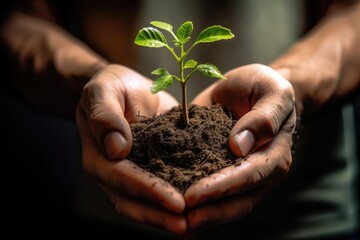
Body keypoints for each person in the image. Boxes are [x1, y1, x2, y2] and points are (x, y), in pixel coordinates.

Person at [1, 0, 359, 239]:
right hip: (118, 210)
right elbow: (22, 18)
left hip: (304, 218)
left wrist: (291, 85)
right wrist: (92, 82)